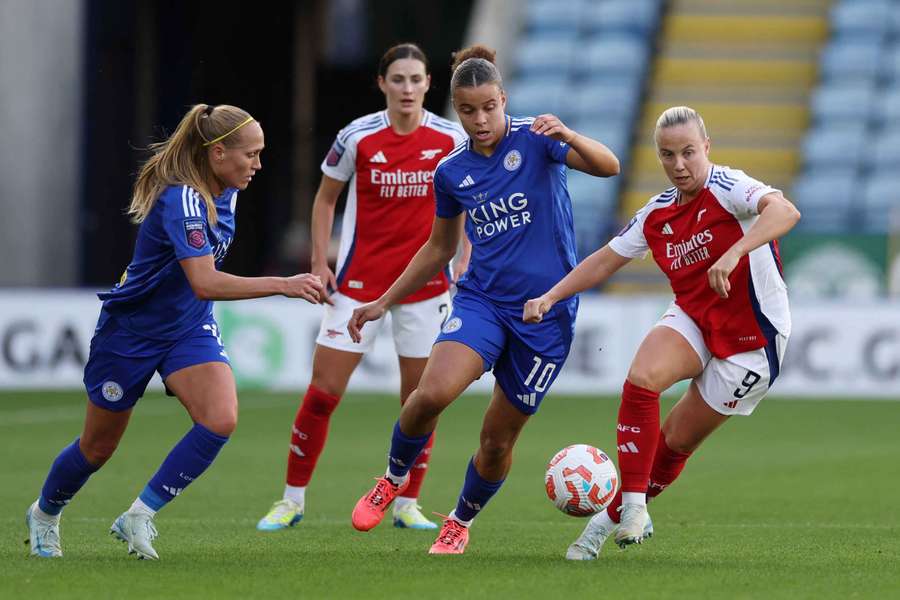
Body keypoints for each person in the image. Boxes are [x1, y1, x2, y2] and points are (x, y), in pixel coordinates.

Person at [346, 44, 620, 555]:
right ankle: (392, 476)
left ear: (503, 99)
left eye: (488, 107)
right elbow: (440, 248)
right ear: (456, 107)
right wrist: (383, 301)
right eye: (467, 110)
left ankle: (459, 520)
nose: (479, 120)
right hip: (482, 302)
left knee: (496, 442)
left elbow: (609, 167)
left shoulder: (537, 140)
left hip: (547, 316)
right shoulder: (451, 171)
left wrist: (569, 133)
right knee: (430, 395)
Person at [24, 104, 326, 560]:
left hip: (188, 325)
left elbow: (199, 288)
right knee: (98, 447)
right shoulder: (182, 198)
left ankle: (139, 515)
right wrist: (283, 284)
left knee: (220, 418)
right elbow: (205, 279)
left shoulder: (231, 190)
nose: (258, 165)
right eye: (253, 155)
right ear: (218, 152)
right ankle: (45, 514)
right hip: (131, 331)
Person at [522, 106, 801, 560]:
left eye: (689, 152)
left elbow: (785, 211)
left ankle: (600, 525)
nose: (679, 165)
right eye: (668, 155)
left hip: (754, 343)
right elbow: (605, 259)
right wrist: (550, 297)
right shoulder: (657, 214)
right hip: (695, 317)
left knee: (674, 442)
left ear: (706, 148)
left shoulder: (729, 188)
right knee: (642, 379)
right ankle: (633, 507)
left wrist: (734, 253)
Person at [255, 43, 468, 533]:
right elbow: (325, 198)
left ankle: (406, 502)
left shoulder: (450, 137)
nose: (408, 88)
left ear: (428, 84)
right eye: (398, 79)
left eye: (416, 79)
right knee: (323, 393)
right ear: (382, 84)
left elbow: (470, 202)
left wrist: (464, 261)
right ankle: (291, 500)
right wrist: (318, 261)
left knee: (421, 400)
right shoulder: (358, 137)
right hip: (355, 284)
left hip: (426, 285)